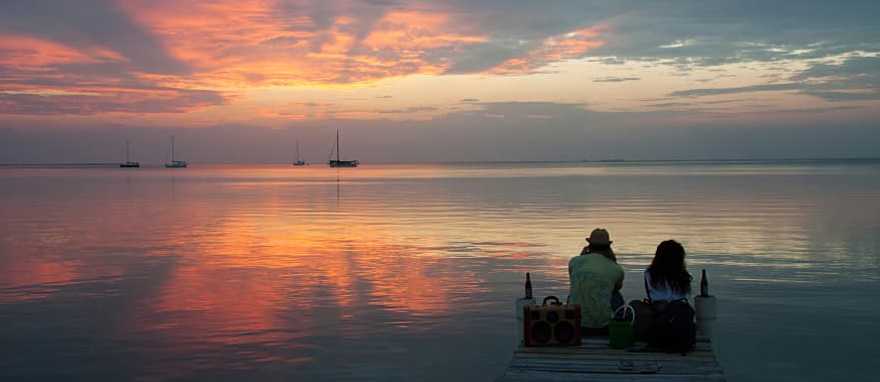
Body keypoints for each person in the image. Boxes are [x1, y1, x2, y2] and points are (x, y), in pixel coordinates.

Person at [631, 240, 696, 352]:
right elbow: (679, 298)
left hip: (661, 316)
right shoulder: (684, 276)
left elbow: (654, 298)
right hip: (678, 313)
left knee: (635, 305)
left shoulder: (650, 273)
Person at [568, 228, 625, 336]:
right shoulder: (616, 268)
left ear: (589, 245)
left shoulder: (574, 261)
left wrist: (582, 256)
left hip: (575, 324)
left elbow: (573, 279)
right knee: (615, 293)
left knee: (577, 287)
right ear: (608, 246)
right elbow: (616, 288)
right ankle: (617, 323)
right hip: (604, 327)